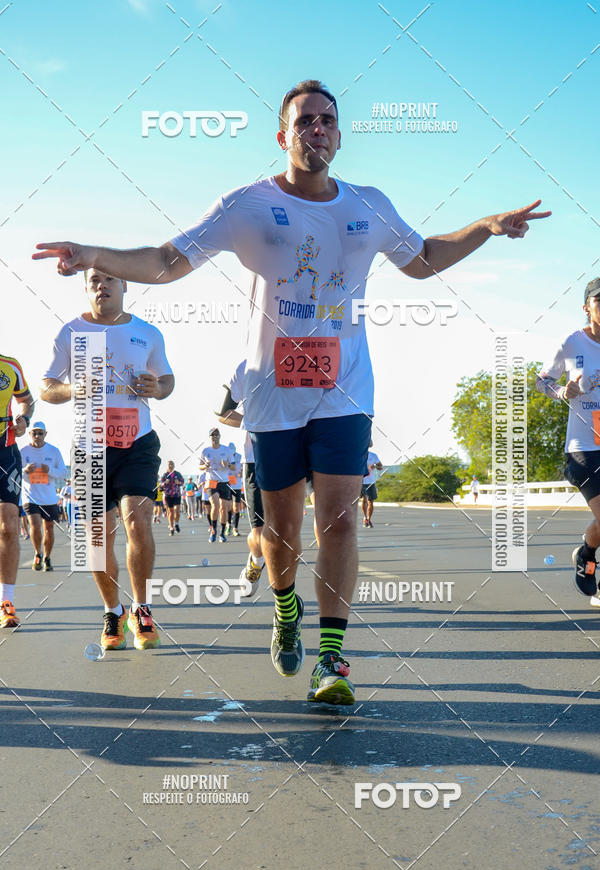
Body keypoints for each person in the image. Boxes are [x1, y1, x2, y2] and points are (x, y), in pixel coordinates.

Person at [33, 78, 551, 703]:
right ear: (284, 136)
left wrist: (486, 227)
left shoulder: (369, 205)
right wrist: (94, 253)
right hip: (272, 395)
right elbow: (168, 260)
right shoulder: (247, 205)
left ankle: (331, 658)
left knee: (337, 522)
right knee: (280, 530)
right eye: (305, 121)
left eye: (327, 120)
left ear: (339, 134)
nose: (318, 129)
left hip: (345, 391)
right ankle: (285, 610)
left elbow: (425, 258)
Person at [40, 268, 174, 650]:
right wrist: (72, 388)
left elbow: (166, 379)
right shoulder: (70, 332)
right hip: (89, 446)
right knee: (97, 540)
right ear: (86, 289)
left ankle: (142, 609)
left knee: (138, 521)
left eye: (110, 279)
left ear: (125, 284)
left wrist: (158, 387)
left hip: (138, 441)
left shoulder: (147, 332)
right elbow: (47, 387)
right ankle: (113, 611)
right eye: (95, 281)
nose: (102, 286)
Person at [537, 278, 600, 600]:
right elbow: (541, 381)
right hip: (584, 450)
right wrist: (563, 390)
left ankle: (587, 553)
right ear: (586, 307)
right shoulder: (572, 343)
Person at [218, 360, 266, 595]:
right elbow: (225, 414)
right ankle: (256, 561)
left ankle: (285, 607)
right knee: (260, 534)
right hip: (255, 458)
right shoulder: (245, 367)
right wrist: (253, 423)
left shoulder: (304, 352)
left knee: (287, 533)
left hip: (294, 457)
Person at [0, 354, 35, 628]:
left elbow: (26, 399)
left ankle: (6, 602)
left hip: (5, 451)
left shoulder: (10, 365)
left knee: (8, 526)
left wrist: (23, 418)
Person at [20, 421, 67, 571]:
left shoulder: (53, 451)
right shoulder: (23, 451)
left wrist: (50, 470)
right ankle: (38, 553)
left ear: (45, 434)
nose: (37, 436)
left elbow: (63, 473)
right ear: (29, 434)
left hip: (49, 497)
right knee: (34, 524)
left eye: (40, 433)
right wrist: (25, 471)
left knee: (49, 528)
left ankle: (47, 557)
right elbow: (16, 472)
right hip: (31, 496)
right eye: (34, 433)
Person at [199, 428, 233, 543]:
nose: (215, 437)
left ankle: (222, 533)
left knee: (224, 508)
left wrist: (227, 464)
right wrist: (205, 466)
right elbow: (200, 466)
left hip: (224, 481)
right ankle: (213, 531)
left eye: (217, 434)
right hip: (211, 482)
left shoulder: (227, 450)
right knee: (215, 505)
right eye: (212, 435)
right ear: (210, 437)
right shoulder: (205, 451)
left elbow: (233, 467)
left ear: (220, 436)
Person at [360, 443, 383, 527]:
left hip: (371, 481)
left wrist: (375, 466)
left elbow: (380, 467)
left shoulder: (373, 456)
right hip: (361, 481)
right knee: (364, 499)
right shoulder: (358, 455)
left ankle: (369, 519)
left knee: (371, 501)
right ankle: (365, 518)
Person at [159, 461, 184, 536]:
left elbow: (182, 482)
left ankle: (176, 523)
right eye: (169, 464)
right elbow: (161, 485)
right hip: (168, 495)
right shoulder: (165, 475)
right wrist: (165, 483)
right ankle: (171, 527)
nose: (170, 466)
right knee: (170, 512)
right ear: (167, 466)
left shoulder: (177, 474)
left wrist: (178, 482)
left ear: (174, 465)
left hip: (177, 495)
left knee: (177, 511)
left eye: (172, 464)